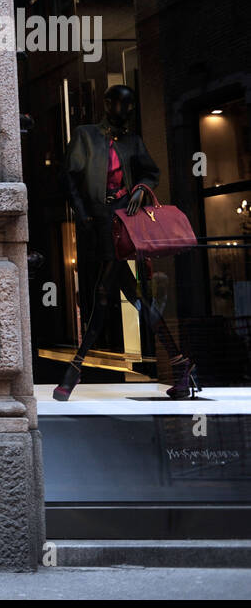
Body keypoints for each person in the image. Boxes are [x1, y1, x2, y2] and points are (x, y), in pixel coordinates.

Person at [57, 84, 197, 400]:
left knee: (105, 294)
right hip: (98, 222)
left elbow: (151, 172)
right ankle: (180, 362)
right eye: (121, 104)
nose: (127, 110)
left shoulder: (132, 140)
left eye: (131, 105)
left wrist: (140, 189)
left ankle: (73, 372)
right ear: (108, 104)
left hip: (123, 224)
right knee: (129, 295)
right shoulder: (86, 135)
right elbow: (68, 177)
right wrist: (83, 215)